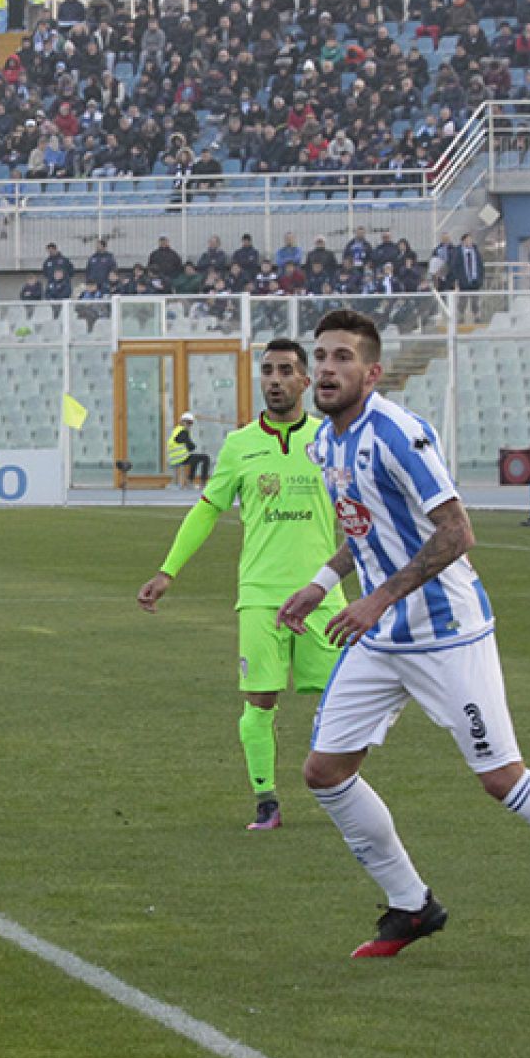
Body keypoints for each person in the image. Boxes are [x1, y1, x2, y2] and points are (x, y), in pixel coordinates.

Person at [275, 309, 530, 965]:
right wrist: (323, 582)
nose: (328, 369)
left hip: (447, 632)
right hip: (383, 636)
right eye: (322, 357)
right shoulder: (326, 443)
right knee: (325, 771)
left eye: (343, 358)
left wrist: (376, 597)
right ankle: (411, 904)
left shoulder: (397, 433)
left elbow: (457, 532)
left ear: (372, 372)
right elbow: (368, 529)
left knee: (502, 779)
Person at [139, 340, 346, 831]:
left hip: (322, 594)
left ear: (305, 381)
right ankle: (266, 801)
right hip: (260, 596)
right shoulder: (239, 445)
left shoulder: (331, 440)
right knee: (260, 701)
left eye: (286, 371)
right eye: (267, 371)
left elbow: (362, 511)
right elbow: (207, 509)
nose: (274, 380)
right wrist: (168, 571)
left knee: (343, 701)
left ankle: (340, 791)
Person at [168, 411, 209, 487]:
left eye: (191, 423)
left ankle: (190, 481)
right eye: (189, 423)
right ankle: (203, 482)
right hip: (181, 458)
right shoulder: (183, 432)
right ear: (183, 422)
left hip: (174, 458)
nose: (189, 425)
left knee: (195, 459)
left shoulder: (176, 430)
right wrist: (193, 446)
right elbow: (191, 447)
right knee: (205, 458)